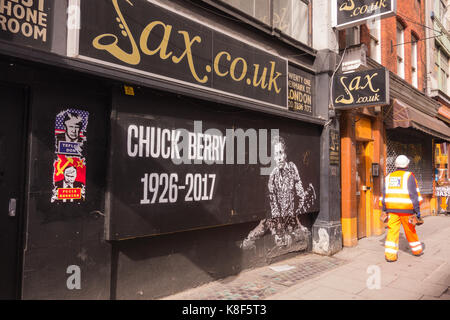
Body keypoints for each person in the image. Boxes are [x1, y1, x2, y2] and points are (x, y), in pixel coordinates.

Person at [240, 136, 308, 250]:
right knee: (265, 229)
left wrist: (300, 207)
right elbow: (273, 205)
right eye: (276, 154)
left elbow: (299, 190)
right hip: (275, 218)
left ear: (285, 154)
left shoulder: (292, 168)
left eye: (281, 153)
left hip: (290, 215)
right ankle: (247, 242)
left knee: (302, 233)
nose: (280, 158)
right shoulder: (273, 176)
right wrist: (278, 226)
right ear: (273, 158)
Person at [381, 155, 424, 262]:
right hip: (407, 210)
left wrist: (385, 209)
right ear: (407, 165)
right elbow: (413, 195)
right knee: (410, 230)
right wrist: (417, 212)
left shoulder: (388, 177)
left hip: (392, 210)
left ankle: (390, 256)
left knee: (392, 231)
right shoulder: (409, 176)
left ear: (396, 165)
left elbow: (384, 194)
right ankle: (417, 251)